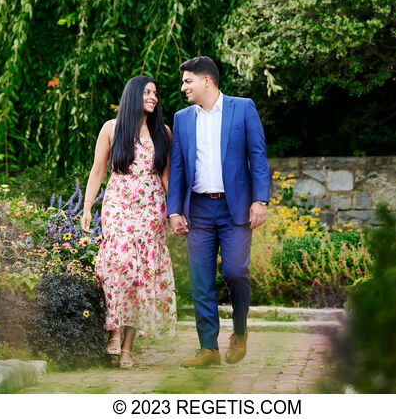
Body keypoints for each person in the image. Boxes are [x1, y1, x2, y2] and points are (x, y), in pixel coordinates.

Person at [167, 56, 270, 367]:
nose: (183, 87)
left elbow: (258, 157)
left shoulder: (243, 107)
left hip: (235, 207)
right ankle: (208, 348)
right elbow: (178, 169)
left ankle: (240, 331)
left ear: (207, 80)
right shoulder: (182, 118)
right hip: (197, 208)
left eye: (188, 81)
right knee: (200, 280)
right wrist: (174, 211)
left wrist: (260, 200)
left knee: (235, 273)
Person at [81, 75, 176, 368]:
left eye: (156, 94)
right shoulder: (112, 128)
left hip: (151, 209)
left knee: (143, 275)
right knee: (118, 263)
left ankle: (128, 347)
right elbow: (98, 171)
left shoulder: (163, 132)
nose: (153, 98)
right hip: (119, 203)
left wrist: (175, 213)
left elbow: (166, 177)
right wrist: (87, 207)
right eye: (148, 92)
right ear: (134, 94)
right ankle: (115, 330)